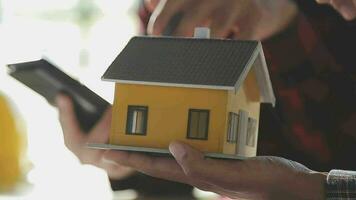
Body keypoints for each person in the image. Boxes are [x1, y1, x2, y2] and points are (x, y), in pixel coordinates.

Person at [57, 0, 356, 199]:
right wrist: (135, 159)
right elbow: (185, 158)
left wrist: (282, 28)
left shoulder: (331, 13)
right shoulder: (168, 11)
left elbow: (335, 151)